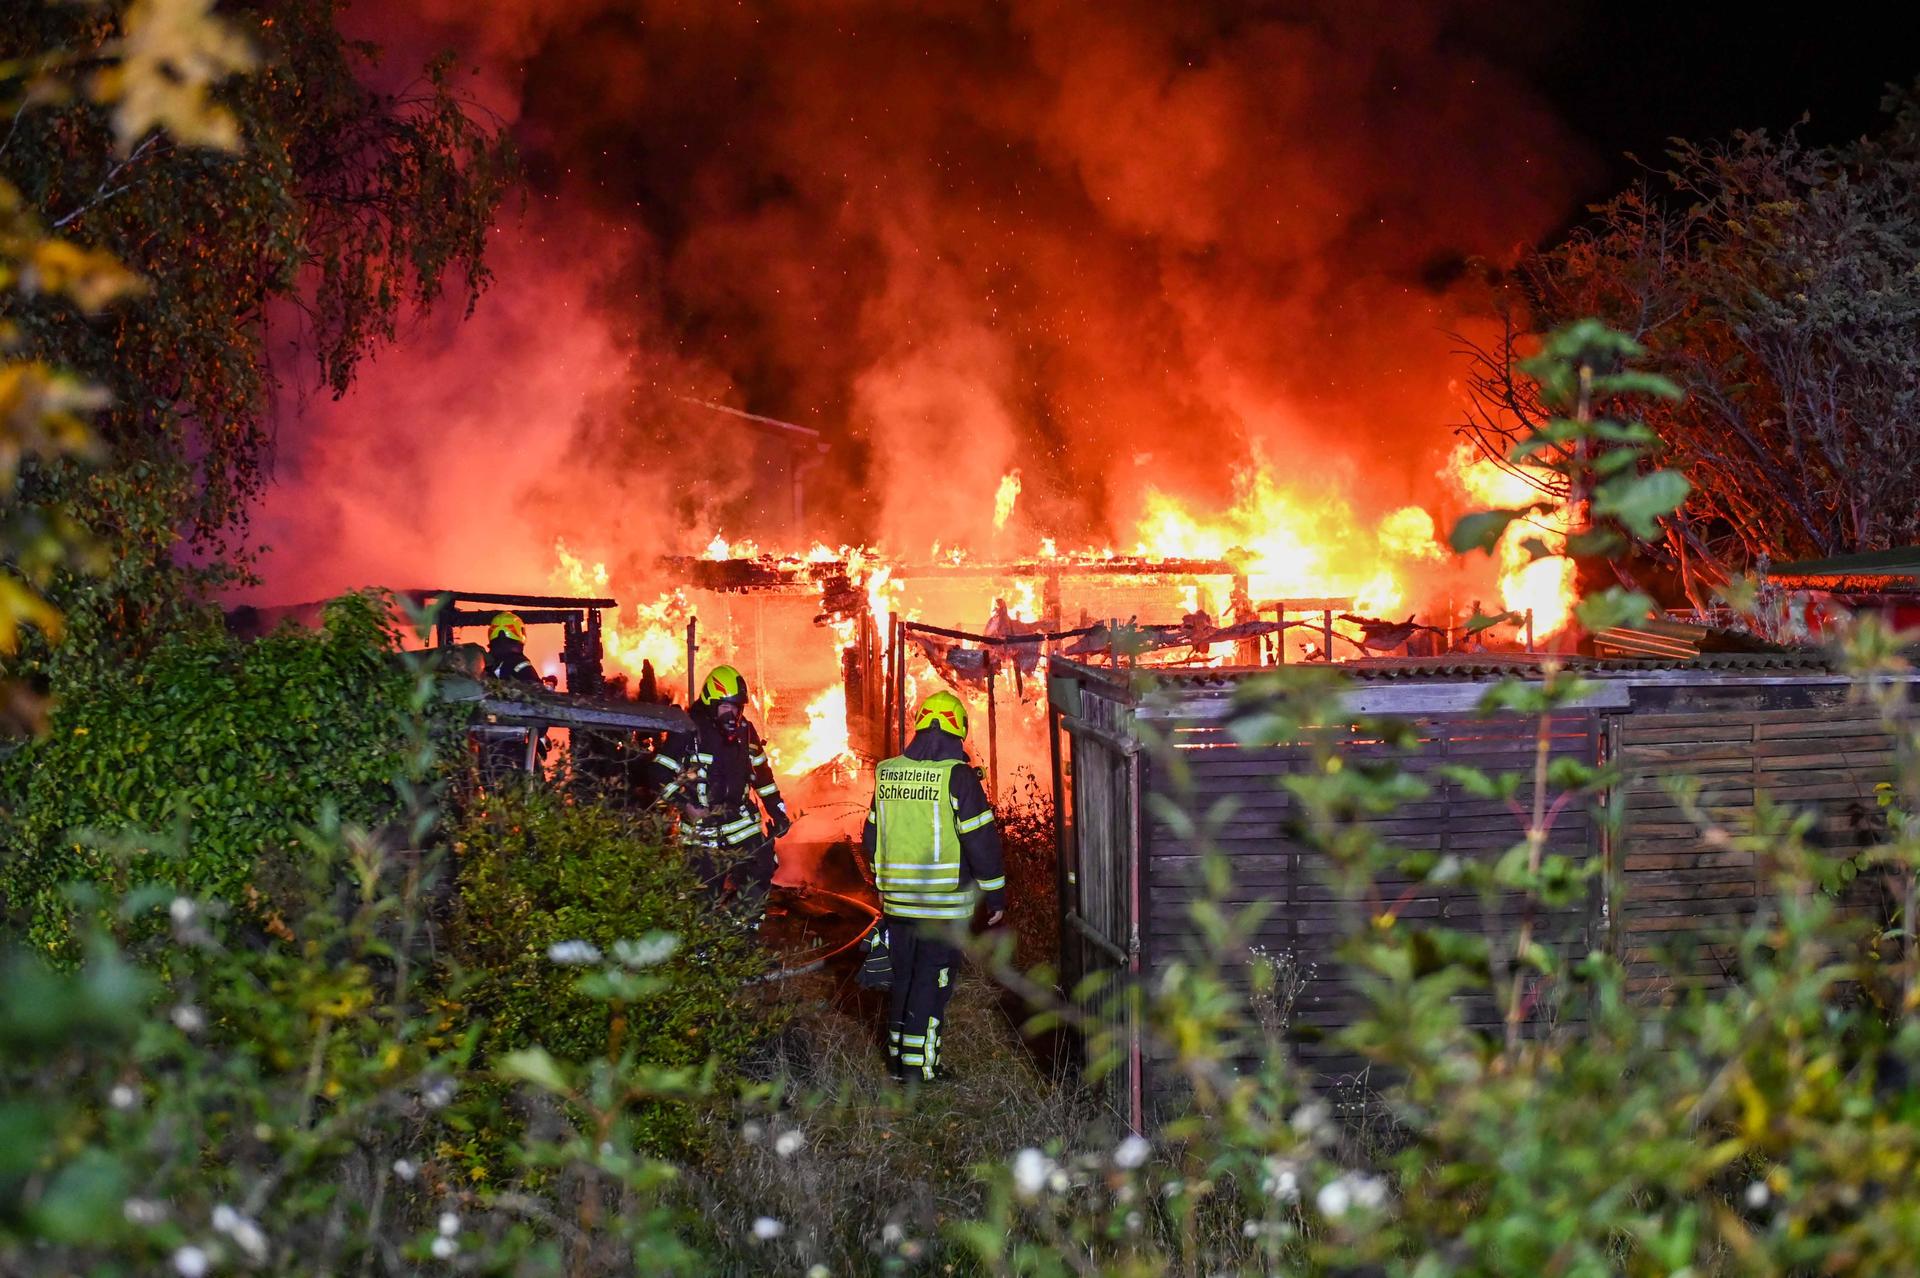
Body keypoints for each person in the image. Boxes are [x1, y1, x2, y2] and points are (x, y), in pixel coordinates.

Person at [861, 690, 1006, 1083]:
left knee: (904, 980)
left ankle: (896, 1061)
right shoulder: (956, 776)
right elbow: (981, 841)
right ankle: (920, 1068)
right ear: (957, 731)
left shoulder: (887, 771)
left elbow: (871, 835)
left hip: (897, 906)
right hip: (941, 909)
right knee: (932, 984)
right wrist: (995, 894)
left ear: (921, 726)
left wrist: (883, 881)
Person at [652, 665, 791, 911]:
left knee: (761, 873)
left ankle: (744, 932)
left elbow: (763, 775)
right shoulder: (689, 730)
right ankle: (706, 946)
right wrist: (686, 806)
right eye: (726, 707)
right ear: (710, 704)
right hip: (702, 831)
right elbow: (658, 773)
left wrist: (777, 811)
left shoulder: (745, 731)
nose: (732, 714)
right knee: (703, 897)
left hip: (741, 824)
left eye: (736, 707)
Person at [475, 612, 544, 779]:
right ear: (519, 634)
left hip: (486, 747)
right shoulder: (521, 665)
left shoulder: (487, 666)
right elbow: (539, 703)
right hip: (514, 750)